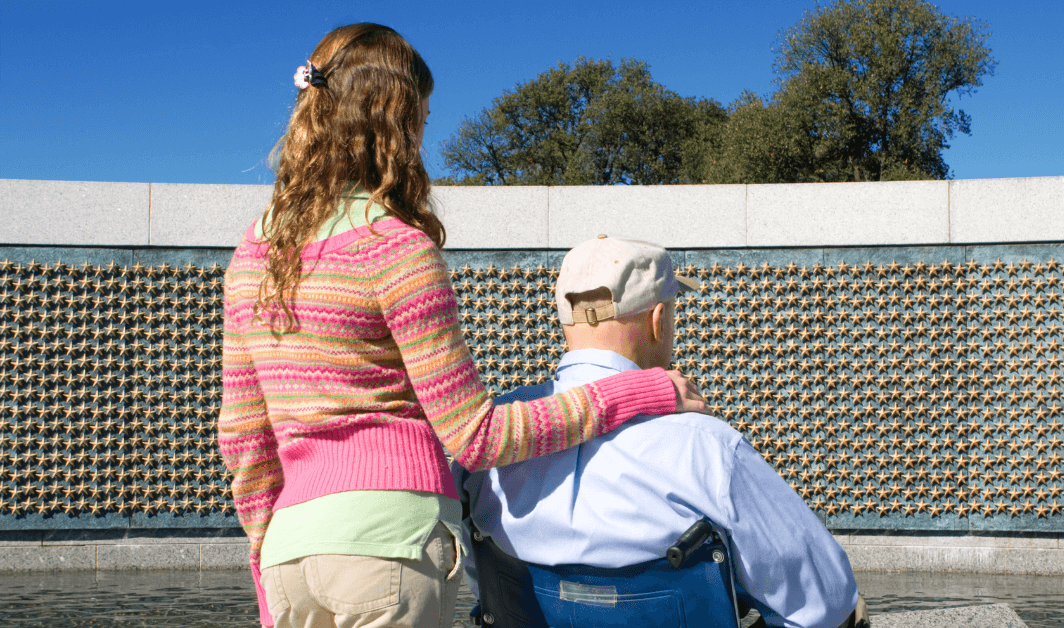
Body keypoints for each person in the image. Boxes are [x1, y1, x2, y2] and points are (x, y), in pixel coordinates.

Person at [218, 25, 708, 628]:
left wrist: (268, 559)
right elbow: (479, 437)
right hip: (388, 548)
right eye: (421, 121)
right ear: (395, 127)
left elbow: (244, 438)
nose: (424, 137)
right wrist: (646, 390)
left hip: (289, 555)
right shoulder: (392, 249)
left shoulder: (255, 253)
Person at [456, 236, 865, 628]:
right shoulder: (710, 448)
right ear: (659, 319)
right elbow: (825, 607)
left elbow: (486, 592)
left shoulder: (488, 441)